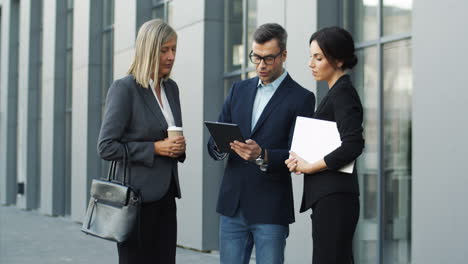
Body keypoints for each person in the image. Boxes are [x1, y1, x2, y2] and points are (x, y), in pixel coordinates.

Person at [207, 23, 315, 264]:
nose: (261, 65)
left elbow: (299, 154)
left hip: (271, 208)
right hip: (233, 205)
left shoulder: (302, 98)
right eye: (256, 57)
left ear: (284, 55)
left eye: (268, 58)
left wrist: (263, 154)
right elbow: (214, 140)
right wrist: (219, 146)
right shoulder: (238, 90)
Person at [97, 19, 186, 264]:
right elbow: (106, 146)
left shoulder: (172, 89)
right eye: (164, 50)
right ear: (148, 49)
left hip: (167, 195)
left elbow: (169, 134)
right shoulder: (125, 89)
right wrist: (155, 148)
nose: (171, 56)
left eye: (174, 49)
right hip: (136, 199)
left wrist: (178, 148)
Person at [285, 26, 364, 264]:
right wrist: (301, 159)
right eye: (311, 56)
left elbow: (353, 145)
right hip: (330, 197)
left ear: (338, 60)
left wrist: (310, 167)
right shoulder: (335, 93)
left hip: (335, 198)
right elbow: (331, 143)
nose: (311, 63)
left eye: (318, 57)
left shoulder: (342, 93)